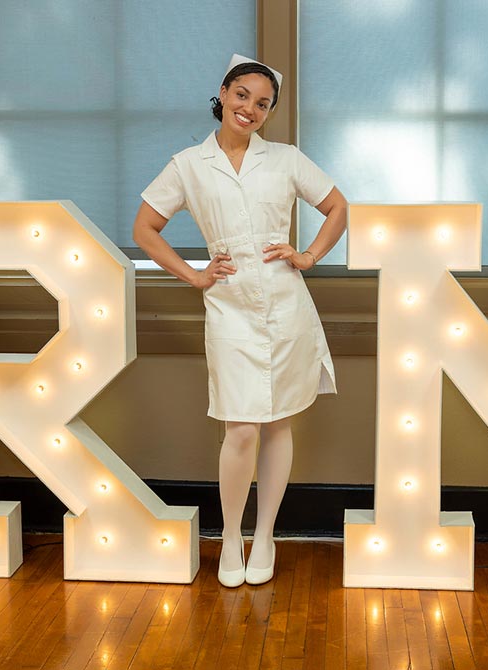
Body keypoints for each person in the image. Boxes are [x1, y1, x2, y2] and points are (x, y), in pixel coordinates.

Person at [132, 55, 348, 587]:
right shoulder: (187, 164)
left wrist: (308, 256)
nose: (250, 108)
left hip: (285, 301)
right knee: (241, 427)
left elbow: (339, 207)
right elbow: (146, 228)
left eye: (263, 103)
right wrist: (195, 275)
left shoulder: (286, 159)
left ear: (270, 112)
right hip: (229, 306)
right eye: (242, 95)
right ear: (224, 93)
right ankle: (231, 536)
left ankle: (265, 535)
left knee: (278, 422)